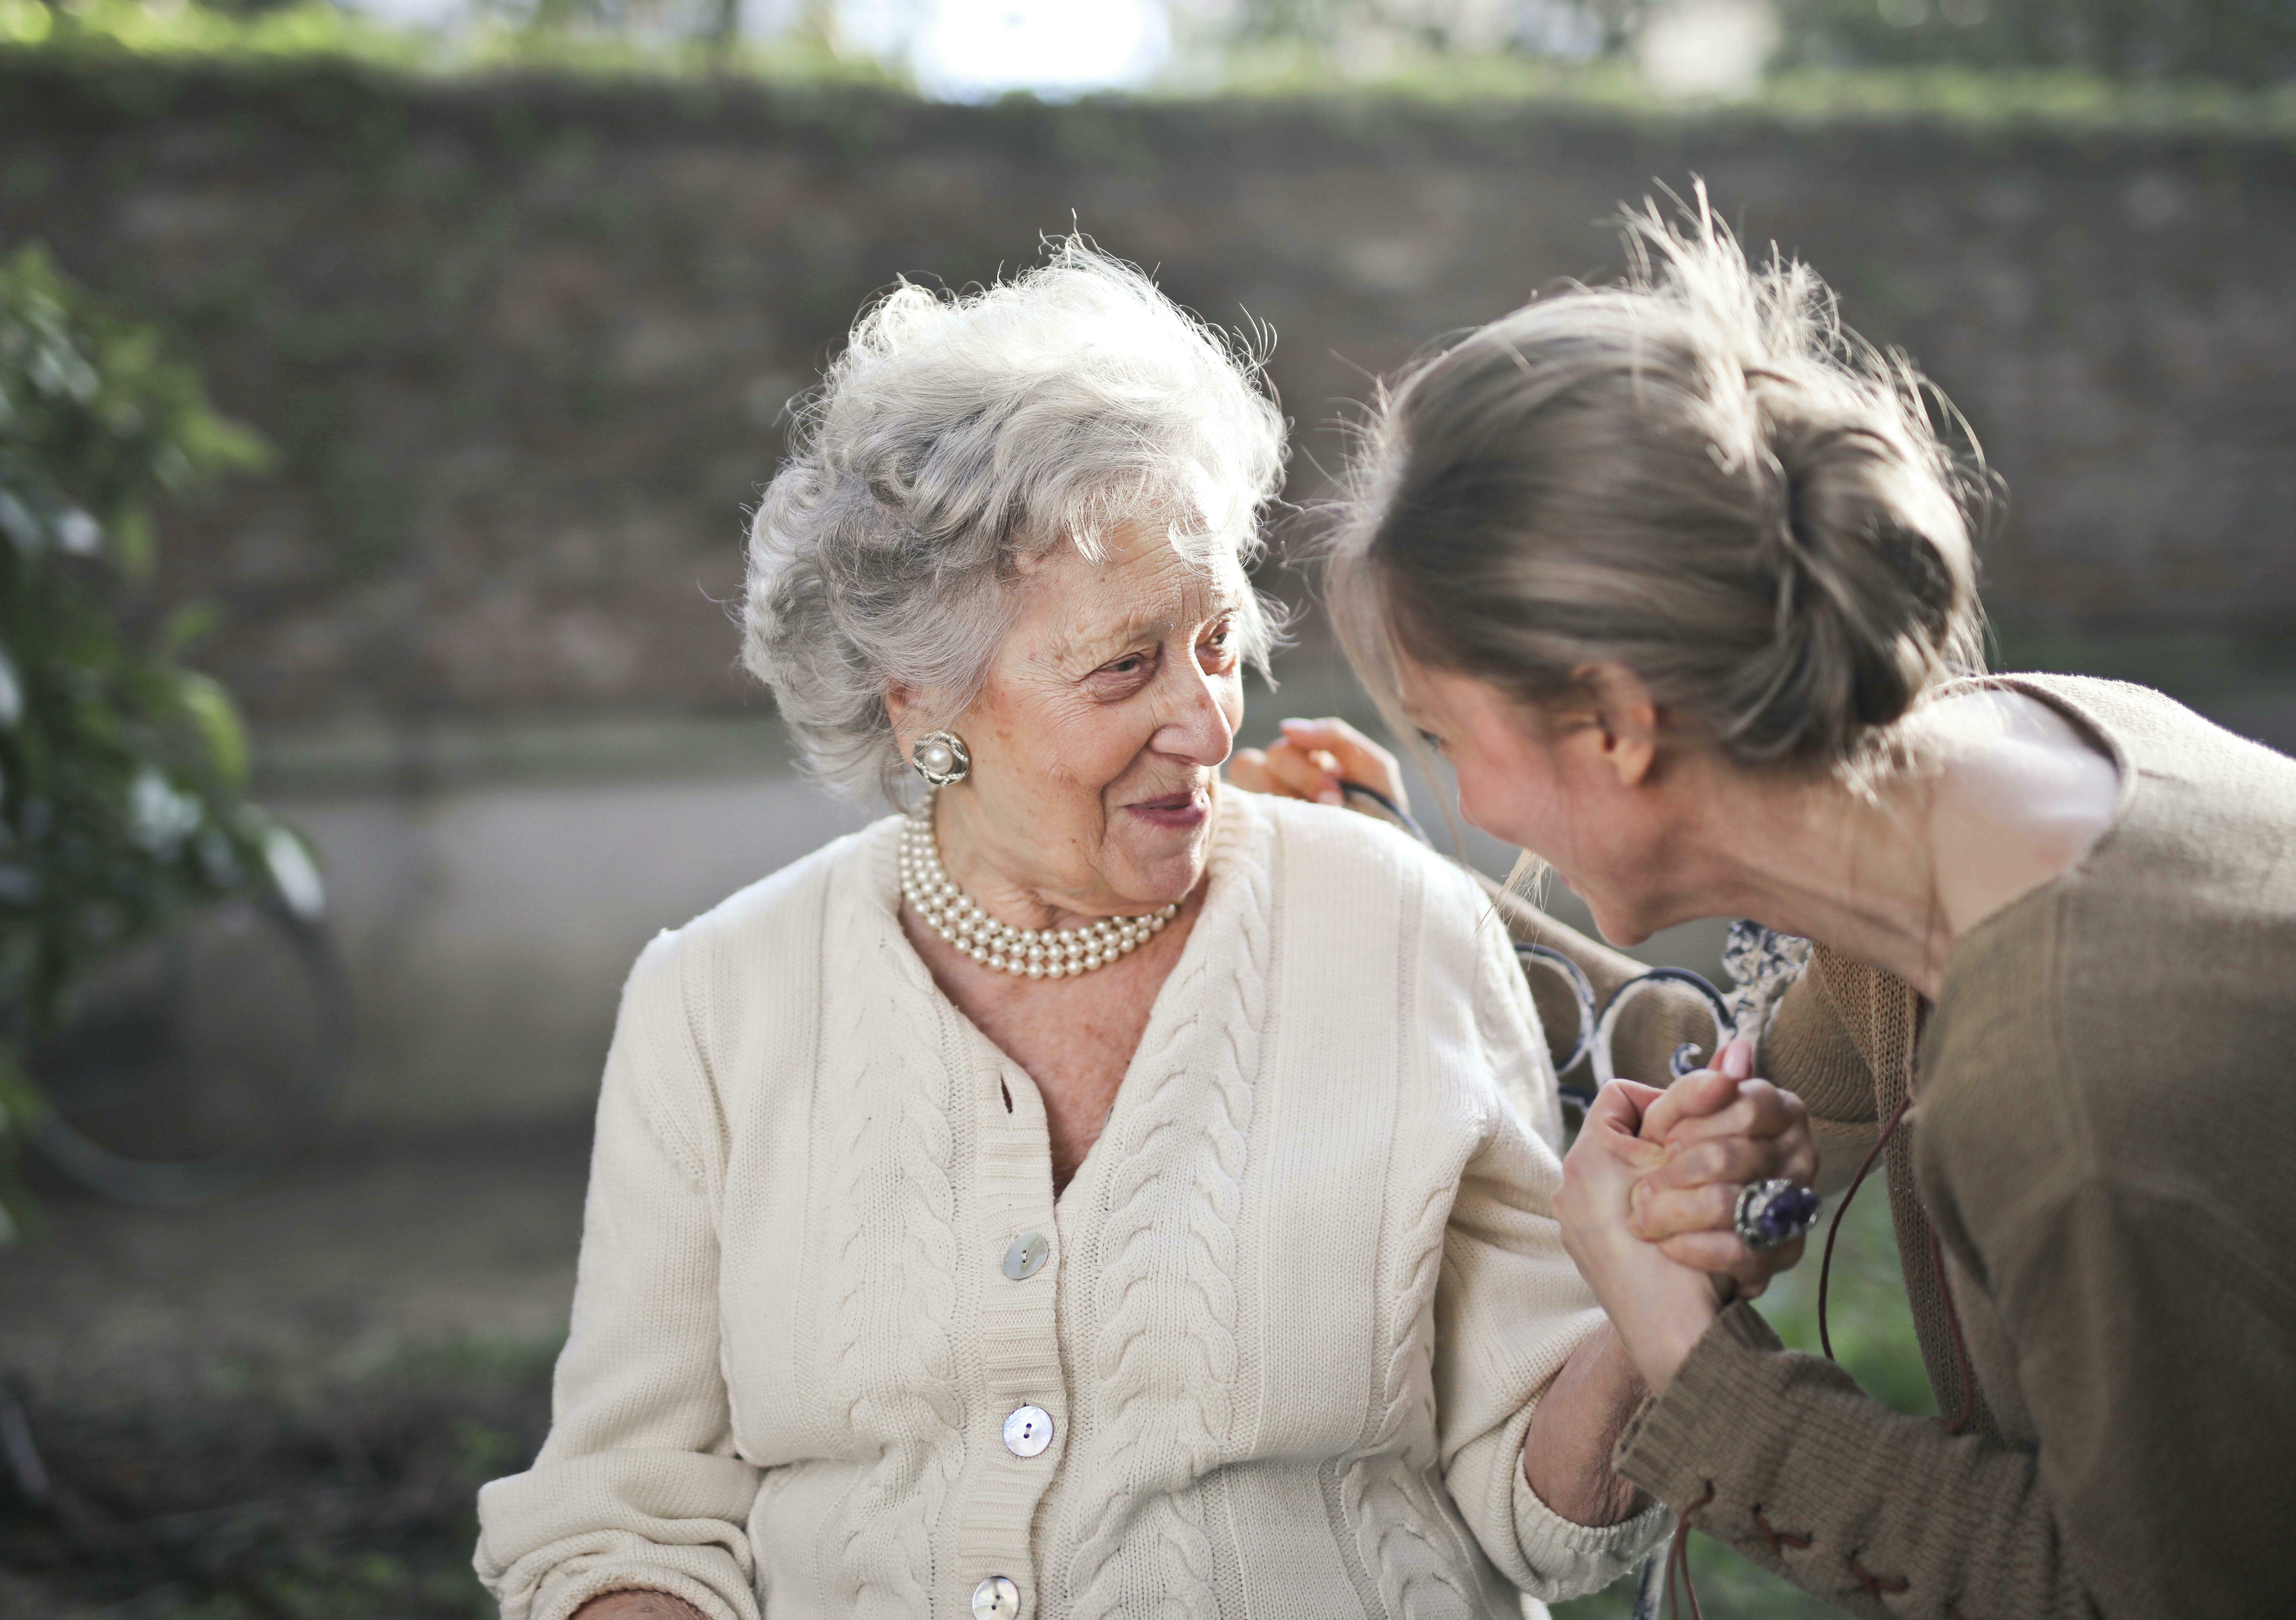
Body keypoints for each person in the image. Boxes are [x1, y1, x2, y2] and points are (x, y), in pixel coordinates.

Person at [471, 242, 1816, 1620]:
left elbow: (1544, 1518)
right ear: (920, 702)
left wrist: (1646, 1304)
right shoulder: (716, 1000)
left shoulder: (1392, 926)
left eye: (1218, 643)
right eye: (1125, 665)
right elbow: (622, 1514)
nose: (1205, 718)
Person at [1289, 191, 2296, 1618]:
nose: (1479, 806)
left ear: (1617, 727)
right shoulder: (2011, 764)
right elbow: (1760, 1072)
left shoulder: (2074, 1093)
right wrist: (1374, 863)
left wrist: (1699, 1374)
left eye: (1449, 742)